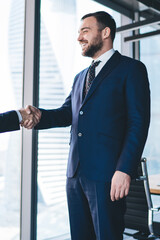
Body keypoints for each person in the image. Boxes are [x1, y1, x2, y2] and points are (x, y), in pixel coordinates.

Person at [25, 11, 150, 240]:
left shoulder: (131, 69)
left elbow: (138, 123)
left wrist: (124, 170)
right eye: (79, 32)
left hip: (108, 175)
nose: (79, 38)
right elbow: (67, 114)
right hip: (75, 175)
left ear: (105, 33)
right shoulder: (81, 76)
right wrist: (38, 116)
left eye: (85, 30)